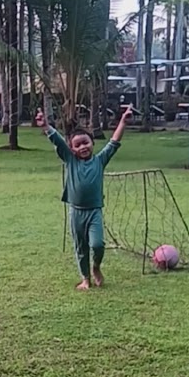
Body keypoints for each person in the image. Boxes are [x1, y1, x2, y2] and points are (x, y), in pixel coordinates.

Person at [44, 107, 132, 289]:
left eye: (85, 142)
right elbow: (59, 142)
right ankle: (85, 278)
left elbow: (114, 142)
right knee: (81, 248)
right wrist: (46, 127)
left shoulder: (100, 160)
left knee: (98, 244)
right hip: (76, 213)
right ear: (72, 149)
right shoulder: (70, 160)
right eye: (77, 145)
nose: (82, 147)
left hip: (94, 212)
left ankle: (96, 268)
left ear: (92, 143)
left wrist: (123, 121)